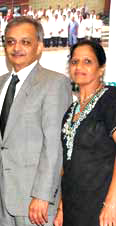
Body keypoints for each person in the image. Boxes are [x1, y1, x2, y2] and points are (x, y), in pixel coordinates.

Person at [0, 16, 72, 226]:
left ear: (39, 46)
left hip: (35, 201)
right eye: (10, 41)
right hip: (1, 196)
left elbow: (54, 146)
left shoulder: (54, 83)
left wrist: (43, 195)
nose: (17, 48)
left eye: (25, 42)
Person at [53, 40, 116, 226]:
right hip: (74, 207)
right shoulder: (70, 111)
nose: (79, 67)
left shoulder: (110, 99)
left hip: (102, 206)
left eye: (87, 61)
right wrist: (61, 208)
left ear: (101, 68)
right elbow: (67, 165)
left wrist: (112, 203)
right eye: (74, 62)